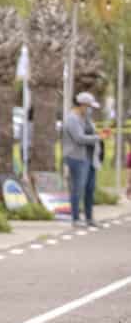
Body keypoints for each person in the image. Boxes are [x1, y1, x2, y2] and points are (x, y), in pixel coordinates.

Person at [63, 92, 106, 228]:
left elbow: (91, 133)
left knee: (90, 188)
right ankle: (75, 219)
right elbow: (79, 138)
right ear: (82, 105)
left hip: (90, 158)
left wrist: (99, 134)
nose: (90, 110)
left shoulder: (86, 119)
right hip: (77, 158)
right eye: (89, 107)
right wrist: (98, 137)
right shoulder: (72, 119)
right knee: (78, 188)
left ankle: (89, 218)